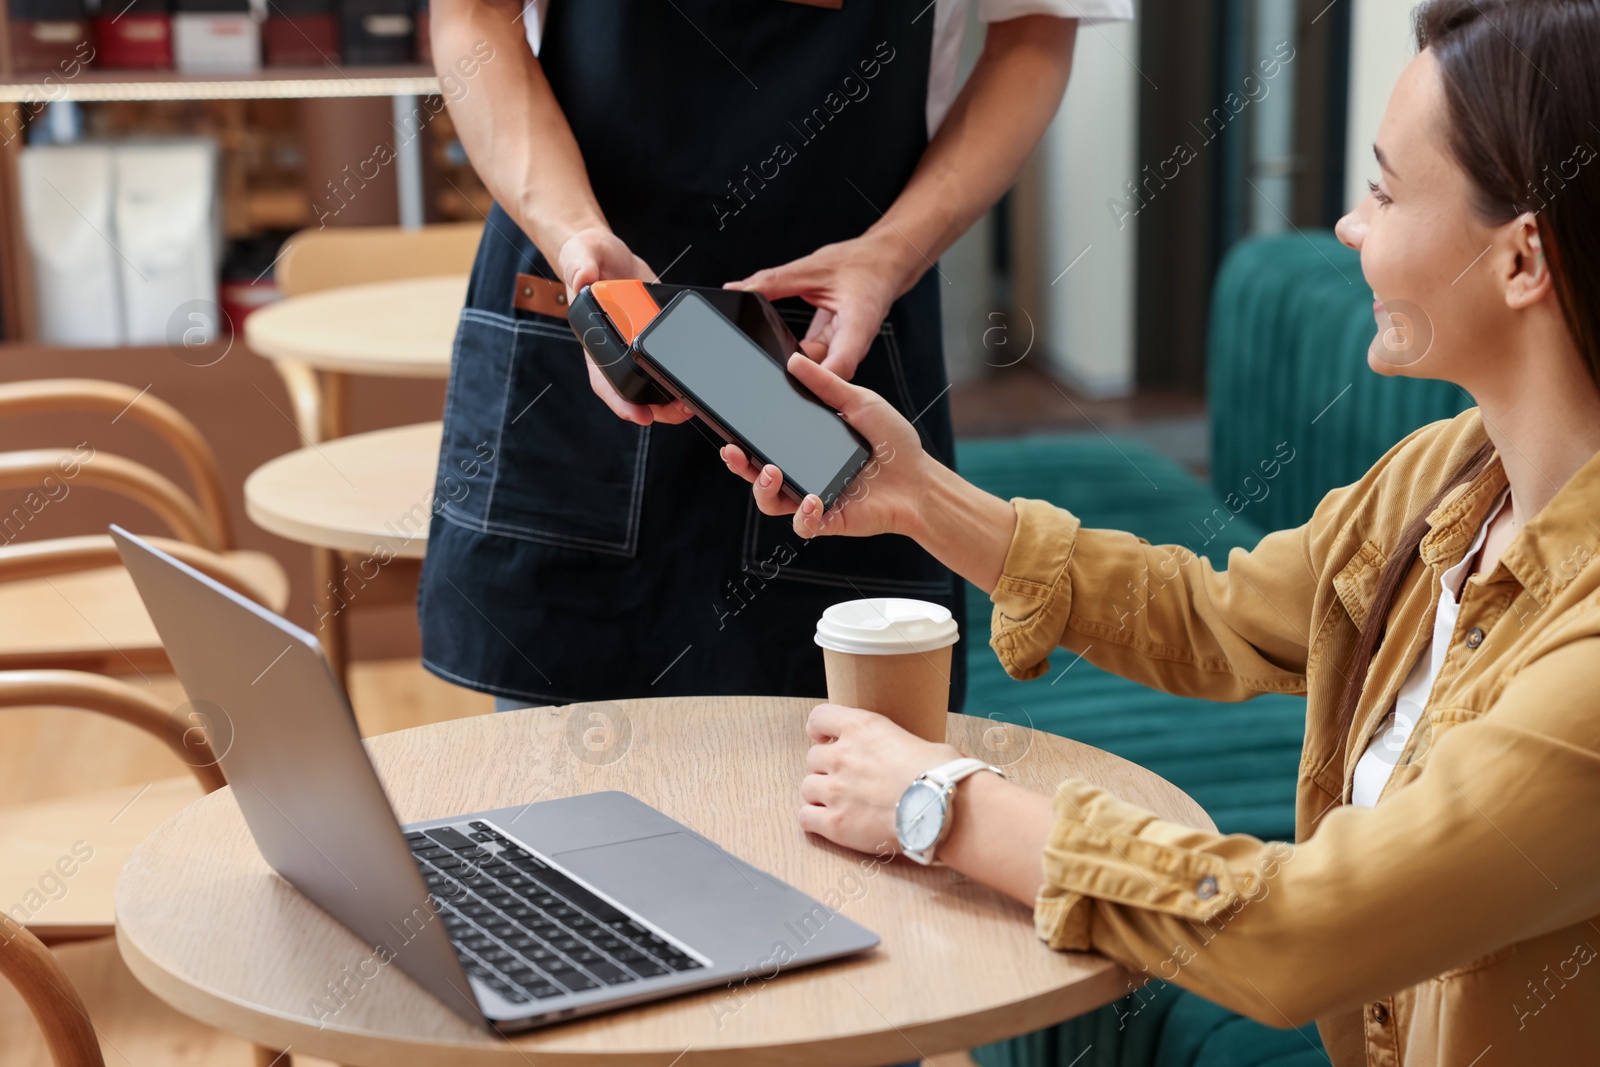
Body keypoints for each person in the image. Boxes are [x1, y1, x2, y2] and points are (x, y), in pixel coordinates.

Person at [720, 0, 1600, 1062]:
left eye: (1381, 189)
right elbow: (1209, 611)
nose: (1348, 226)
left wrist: (937, 801)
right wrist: (915, 492)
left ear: (1520, 262)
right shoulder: (1450, 477)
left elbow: (1299, 930)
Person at [420, 0, 1132, 710]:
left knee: (846, 786)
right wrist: (572, 232)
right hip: (587, 318)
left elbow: (1031, 40)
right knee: (562, 791)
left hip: (838, 348)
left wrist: (890, 256)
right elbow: (472, 14)